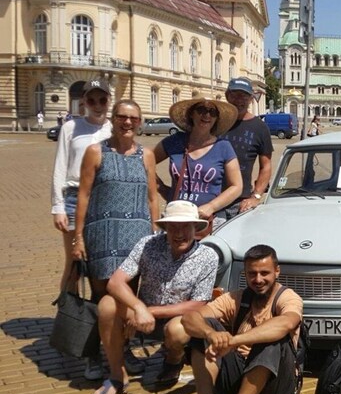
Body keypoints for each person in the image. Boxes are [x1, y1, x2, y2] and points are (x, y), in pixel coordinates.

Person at [92, 201, 219, 394]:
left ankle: (173, 360)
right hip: (142, 311)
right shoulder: (147, 244)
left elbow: (198, 304)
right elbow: (115, 282)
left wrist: (149, 311)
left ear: (195, 228)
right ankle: (117, 375)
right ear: (165, 228)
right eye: (173, 226)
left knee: (178, 331)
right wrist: (138, 308)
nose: (179, 232)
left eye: (185, 226)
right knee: (107, 305)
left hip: (175, 318)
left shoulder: (208, 257)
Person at [181, 245, 303, 394]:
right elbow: (188, 319)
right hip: (238, 379)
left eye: (265, 273)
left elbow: (286, 323)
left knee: (273, 338)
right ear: (245, 273)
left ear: (277, 271)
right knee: (202, 329)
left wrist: (233, 340)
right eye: (252, 274)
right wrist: (210, 334)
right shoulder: (236, 298)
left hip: (274, 390)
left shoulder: (288, 297)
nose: (258, 280)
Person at [50, 79, 112, 379]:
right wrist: (57, 206)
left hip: (106, 200)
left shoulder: (114, 129)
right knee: (75, 266)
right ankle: (70, 324)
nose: (98, 105)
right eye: (93, 100)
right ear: (84, 102)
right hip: (75, 199)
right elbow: (60, 167)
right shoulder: (70, 128)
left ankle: (105, 339)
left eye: (103, 100)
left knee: (101, 271)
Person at [72, 100, 159, 301]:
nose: (127, 122)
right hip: (102, 236)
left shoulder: (146, 155)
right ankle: (100, 333)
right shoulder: (95, 152)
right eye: (122, 117)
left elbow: (153, 198)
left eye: (133, 118)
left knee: (129, 295)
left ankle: (125, 334)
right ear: (112, 120)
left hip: (137, 238)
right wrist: (78, 238)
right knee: (101, 295)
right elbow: (83, 195)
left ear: (139, 123)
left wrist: (155, 234)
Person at [154, 97, 242, 230]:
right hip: (177, 217)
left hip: (209, 221)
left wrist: (211, 206)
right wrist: (161, 188)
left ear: (216, 118)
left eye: (212, 112)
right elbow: (144, 162)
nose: (206, 115)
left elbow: (236, 186)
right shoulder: (175, 142)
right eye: (201, 110)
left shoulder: (223, 147)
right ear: (191, 114)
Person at [221, 77, 273, 219]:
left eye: (244, 96)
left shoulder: (260, 128)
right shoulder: (215, 122)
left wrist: (256, 196)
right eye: (235, 95)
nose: (239, 100)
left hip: (240, 202)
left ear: (251, 99)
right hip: (211, 199)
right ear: (227, 96)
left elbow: (266, 166)